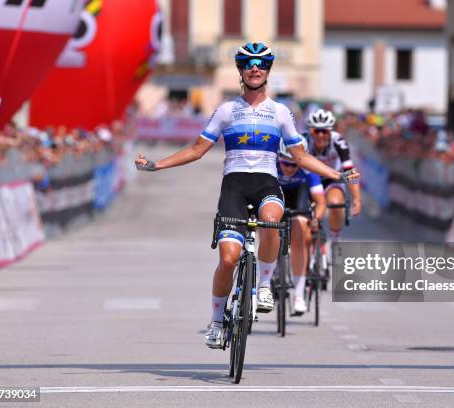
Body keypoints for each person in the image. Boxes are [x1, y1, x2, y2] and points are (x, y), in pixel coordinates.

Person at [135, 43, 360, 349]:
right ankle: (216, 322)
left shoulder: (281, 112)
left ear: (267, 71)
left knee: (272, 219)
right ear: (241, 71)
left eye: (262, 64)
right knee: (227, 259)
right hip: (234, 186)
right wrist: (157, 165)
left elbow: (302, 157)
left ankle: (265, 285)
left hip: (267, 182)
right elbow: (197, 150)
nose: (255, 68)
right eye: (249, 64)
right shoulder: (226, 110)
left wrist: (337, 175)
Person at [276, 138, 326, 314]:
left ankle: (298, 295)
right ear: (278, 158)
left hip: (299, 197)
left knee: (301, 227)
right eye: (285, 164)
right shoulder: (270, 165)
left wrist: (315, 220)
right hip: (276, 194)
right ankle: (271, 266)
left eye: (293, 165)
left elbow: (320, 202)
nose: (289, 169)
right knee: (266, 223)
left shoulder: (308, 169)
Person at [304, 109, 361, 242]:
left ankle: (336, 238)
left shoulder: (338, 141)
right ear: (310, 131)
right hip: (309, 180)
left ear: (330, 131)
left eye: (325, 131)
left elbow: (349, 171)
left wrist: (357, 199)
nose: (320, 135)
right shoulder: (303, 141)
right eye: (316, 131)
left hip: (332, 179)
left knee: (335, 204)